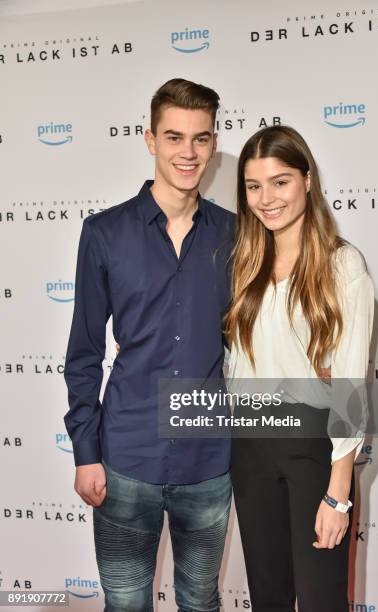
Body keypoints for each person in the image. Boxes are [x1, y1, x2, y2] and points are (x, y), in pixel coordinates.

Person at [64, 78, 234, 612]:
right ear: (149, 139)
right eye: (175, 137)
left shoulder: (238, 234)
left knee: (200, 601)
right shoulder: (105, 233)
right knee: (125, 601)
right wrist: (86, 453)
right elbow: (84, 352)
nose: (188, 153)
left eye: (201, 139)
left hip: (208, 461)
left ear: (213, 144)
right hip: (125, 457)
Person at [225, 125, 374, 612]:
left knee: (320, 601)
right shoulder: (244, 263)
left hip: (315, 453)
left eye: (280, 181)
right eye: (253, 186)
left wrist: (337, 496)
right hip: (249, 450)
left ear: (307, 180)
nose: (266, 199)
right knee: (267, 598)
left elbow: (349, 386)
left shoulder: (342, 265)